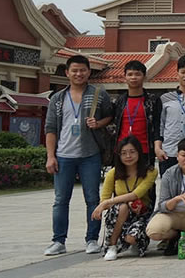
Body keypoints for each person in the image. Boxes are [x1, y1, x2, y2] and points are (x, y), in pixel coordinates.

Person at [44, 55, 116, 256]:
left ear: (89, 72)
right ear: (67, 72)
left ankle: (92, 239)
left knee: (92, 199)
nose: (78, 74)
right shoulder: (57, 99)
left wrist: (98, 123)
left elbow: (110, 115)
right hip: (63, 155)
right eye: (74, 70)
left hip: (90, 155)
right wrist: (51, 156)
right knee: (61, 200)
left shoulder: (98, 94)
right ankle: (58, 241)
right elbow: (50, 129)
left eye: (82, 70)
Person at [94, 137, 157, 260]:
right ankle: (112, 246)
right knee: (123, 207)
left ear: (139, 152)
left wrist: (108, 202)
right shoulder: (113, 173)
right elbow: (104, 200)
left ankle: (132, 242)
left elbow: (136, 194)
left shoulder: (150, 172)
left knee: (131, 237)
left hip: (141, 213)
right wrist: (119, 203)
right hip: (119, 214)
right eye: (123, 153)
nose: (128, 156)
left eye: (132, 152)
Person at [111, 60, 157, 166]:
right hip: (122, 150)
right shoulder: (119, 101)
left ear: (144, 77)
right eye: (130, 74)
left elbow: (157, 125)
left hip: (144, 150)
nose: (133, 77)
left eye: (137, 74)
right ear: (125, 77)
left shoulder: (152, 100)